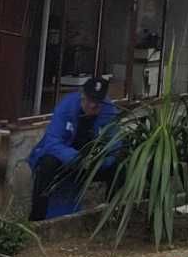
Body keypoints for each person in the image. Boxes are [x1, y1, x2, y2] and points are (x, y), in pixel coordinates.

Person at [27, 75, 119, 223]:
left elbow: (115, 144)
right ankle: (37, 220)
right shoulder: (66, 107)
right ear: (83, 95)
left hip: (91, 163)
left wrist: (100, 161)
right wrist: (77, 158)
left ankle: (112, 216)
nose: (93, 106)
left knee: (118, 166)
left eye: (97, 102)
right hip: (67, 160)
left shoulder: (109, 111)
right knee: (46, 164)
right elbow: (53, 142)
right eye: (89, 100)